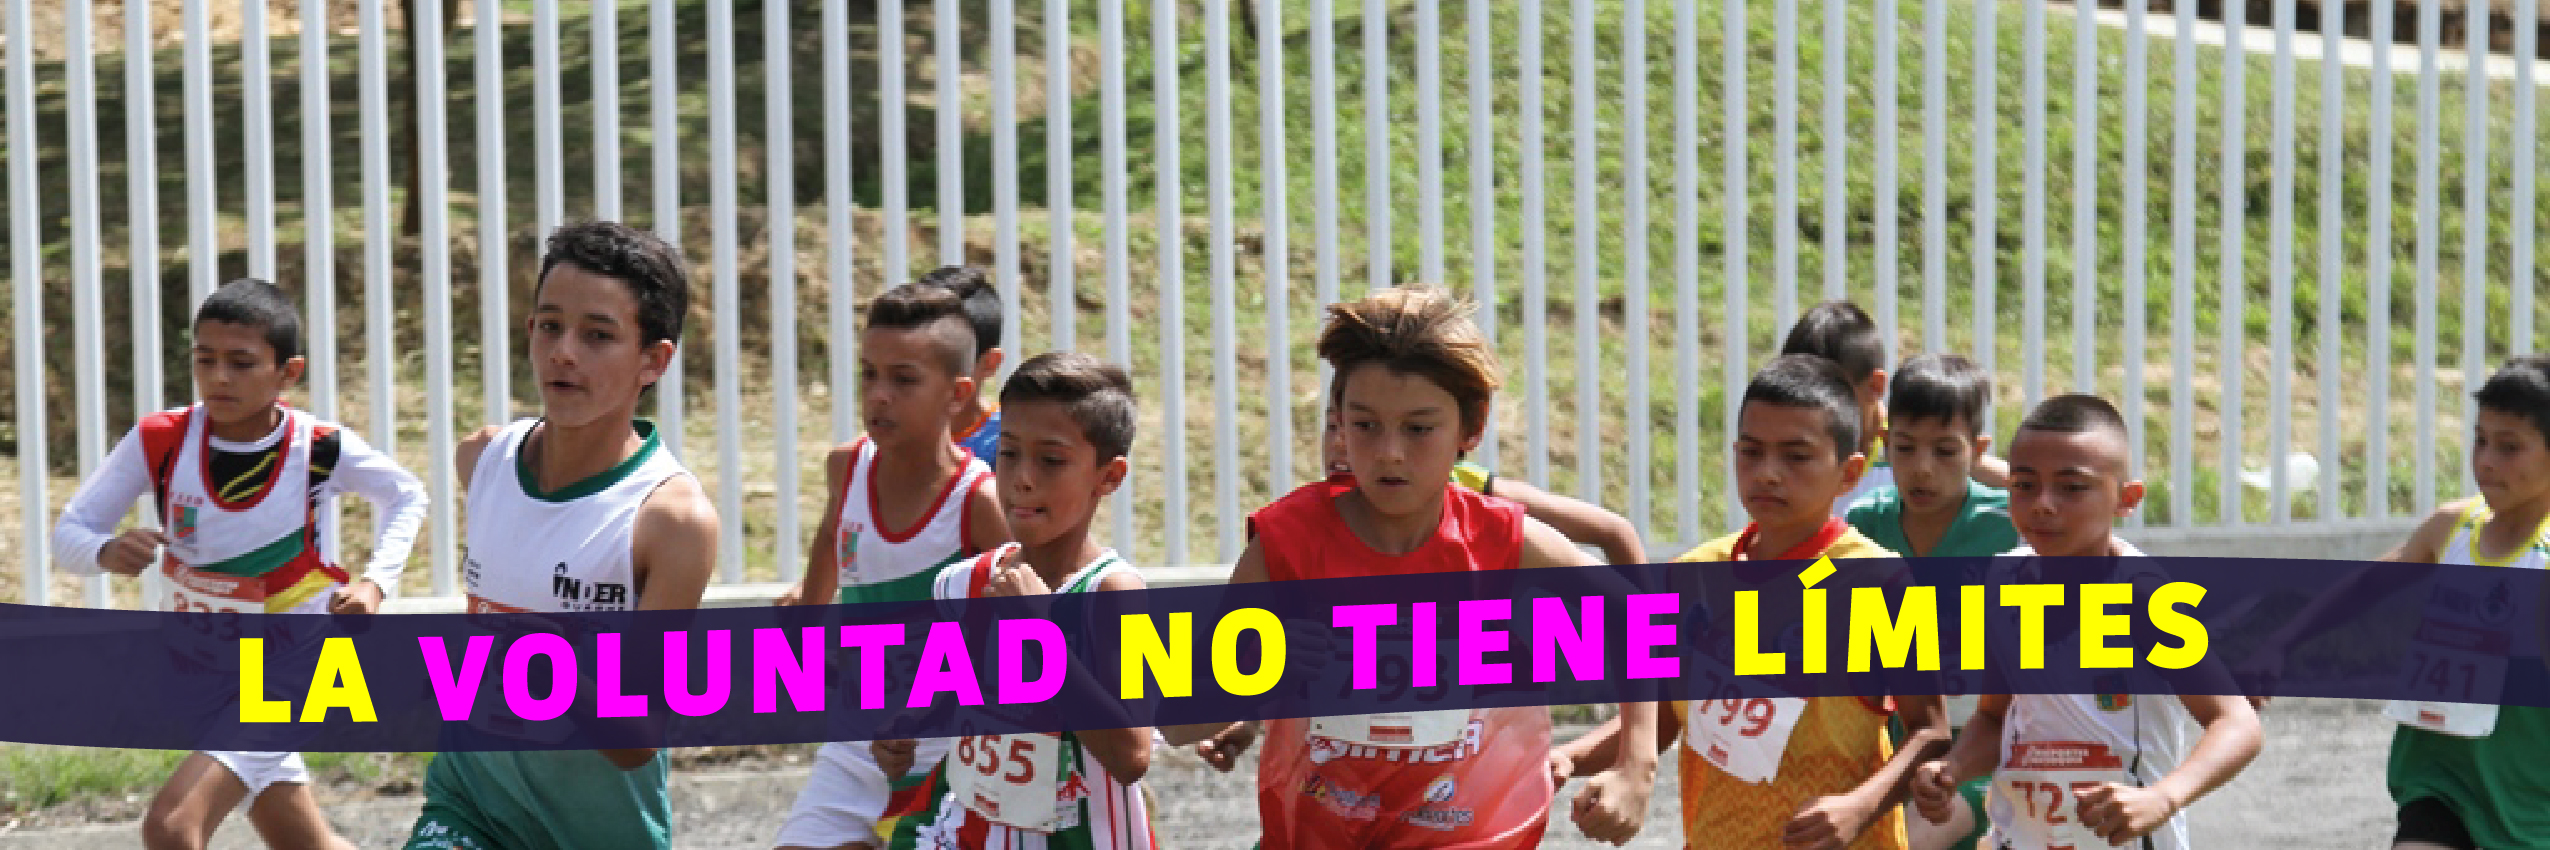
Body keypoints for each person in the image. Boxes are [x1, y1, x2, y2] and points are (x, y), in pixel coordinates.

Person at [1168, 286, 1656, 848]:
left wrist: (1636, 767)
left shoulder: (1508, 544)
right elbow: (1178, 721)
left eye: (1419, 428)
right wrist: (1248, 676)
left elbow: (1640, 621)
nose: (1390, 452)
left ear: (1471, 427)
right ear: (1338, 421)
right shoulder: (1285, 547)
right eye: (1365, 425)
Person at [52, 277, 426, 850]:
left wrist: (376, 582)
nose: (219, 377)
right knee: (304, 842)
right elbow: (70, 533)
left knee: (172, 826)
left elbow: (407, 495)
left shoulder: (320, 447)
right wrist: (105, 552)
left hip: (306, 664)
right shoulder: (161, 440)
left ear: (288, 373)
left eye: (241, 363)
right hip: (213, 670)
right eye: (205, 360)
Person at [403, 221, 721, 850]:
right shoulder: (483, 460)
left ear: (654, 361)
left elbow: (635, 742)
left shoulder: (671, 521)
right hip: (468, 810)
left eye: (598, 335)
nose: (564, 352)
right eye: (550, 326)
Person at [1558, 353, 1948, 850]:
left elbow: (1930, 731)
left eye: (1796, 456)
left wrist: (1860, 806)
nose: (1767, 473)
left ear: (1849, 473)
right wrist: (1567, 758)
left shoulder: (1882, 582)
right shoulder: (1692, 576)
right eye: (1752, 452)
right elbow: (1659, 719)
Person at [1909, 394, 2263, 850]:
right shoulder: (2005, 580)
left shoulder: (2145, 597)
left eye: (2072, 488)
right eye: (2025, 485)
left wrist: (2162, 798)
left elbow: (2237, 722)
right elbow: (1995, 717)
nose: (2043, 504)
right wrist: (1952, 768)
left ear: (2127, 499)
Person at [2246, 355, 2550, 850]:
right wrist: (2281, 643)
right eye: (2480, 440)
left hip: (2530, 802)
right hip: (2440, 784)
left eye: (2509, 447)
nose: (2487, 461)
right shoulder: (2452, 528)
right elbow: (2367, 586)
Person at [873, 352, 1158, 849]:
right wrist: (899, 735)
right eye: (1008, 453)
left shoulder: (1113, 594)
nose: (1023, 477)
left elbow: (1131, 756)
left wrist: (1039, 634)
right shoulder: (961, 584)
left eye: (1051, 460)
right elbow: (941, 697)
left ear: (1109, 477)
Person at [775, 282, 1012, 850]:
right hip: (858, 741)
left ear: (958, 394)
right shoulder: (847, 466)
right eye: (869, 375)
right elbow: (831, 539)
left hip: (952, 751)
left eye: (904, 380)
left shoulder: (978, 501)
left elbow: (1025, 632)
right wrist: (806, 621)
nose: (879, 395)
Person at [1839, 353, 2017, 850]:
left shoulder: (2010, 529)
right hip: (1889, 751)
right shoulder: (1863, 525)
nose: (1922, 469)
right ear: (1884, 444)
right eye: (1905, 447)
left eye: (1944, 451)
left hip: (1987, 755)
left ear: (1977, 451)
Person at [1780, 301, 2010, 512]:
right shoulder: (1781, 456)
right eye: (1800, 397)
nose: (1811, 411)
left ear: (1875, 386)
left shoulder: (1917, 447)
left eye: (1831, 396)